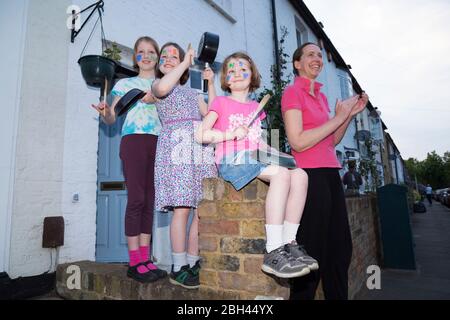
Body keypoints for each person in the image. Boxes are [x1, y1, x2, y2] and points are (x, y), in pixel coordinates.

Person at [196, 52, 318, 280]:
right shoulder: (220, 103)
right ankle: (273, 250)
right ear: (226, 80)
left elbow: (260, 142)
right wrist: (231, 133)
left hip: (254, 156)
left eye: (243, 69)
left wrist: (279, 154)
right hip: (231, 159)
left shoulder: (255, 107)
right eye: (231, 70)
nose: (237, 73)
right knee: (281, 174)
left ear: (252, 75)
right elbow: (201, 134)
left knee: (300, 174)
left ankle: (289, 242)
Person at [281, 42, 368, 300]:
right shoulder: (292, 93)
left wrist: (348, 115)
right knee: (312, 250)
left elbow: (331, 140)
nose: (317, 58)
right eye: (310, 54)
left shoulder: (321, 96)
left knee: (340, 248)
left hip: (331, 173)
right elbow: (297, 141)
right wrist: (337, 118)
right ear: (297, 64)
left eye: (319, 55)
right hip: (310, 175)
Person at [91, 36, 167, 283]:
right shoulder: (125, 84)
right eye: (140, 52)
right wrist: (106, 114)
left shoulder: (164, 85)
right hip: (134, 141)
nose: (145, 56)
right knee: (136, 199)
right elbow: (112, 118)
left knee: (149, 201)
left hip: (159, 142)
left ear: (157, 56)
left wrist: (156, 97)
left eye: (150, 51)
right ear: (135, 58)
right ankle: (134, 261)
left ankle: (145, 259)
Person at [151, 42, 217, 289]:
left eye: (174, 55)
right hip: (176, 148)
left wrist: (210, 83)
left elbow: (213, 114)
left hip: (199, 151)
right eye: (164, 56)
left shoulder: (193, 94)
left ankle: (191, 261)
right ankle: (177, 266)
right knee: (182, 210)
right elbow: (166, 85)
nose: (168, 58)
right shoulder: (158, 86)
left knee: (201, 210)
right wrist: (184, 62)